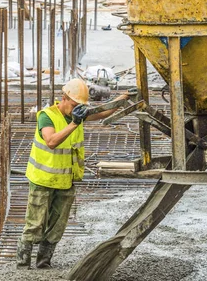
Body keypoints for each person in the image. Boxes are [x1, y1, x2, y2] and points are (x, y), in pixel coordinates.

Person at [16, 79, 128, 269]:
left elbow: (103, 112)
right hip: (43, 181)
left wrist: (123, 98)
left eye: (80, 106)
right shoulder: (47, 116)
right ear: (64, 98)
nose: (77, 109)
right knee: (35, 225)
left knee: (57, 227)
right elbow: (51, 141)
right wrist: (75, 123)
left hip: (66, 181)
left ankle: (43, 264)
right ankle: (22, 266)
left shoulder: (77, 115)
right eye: (75, 105)